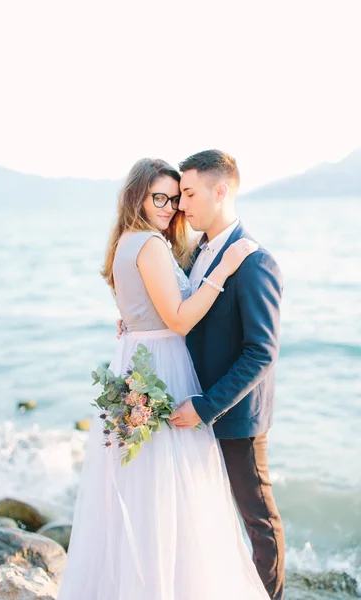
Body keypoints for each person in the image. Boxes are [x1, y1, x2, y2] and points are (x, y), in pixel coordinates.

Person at [57, 157, 270, 600]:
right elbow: (177, 320)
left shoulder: (127, 243)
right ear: (138, 195)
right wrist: (224, 268)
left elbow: (139, 310)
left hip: (140, 357)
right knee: (175, 491)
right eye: (161, 197)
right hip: (163, 366)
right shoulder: (150, 245)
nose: (170, 207)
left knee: (145, 489)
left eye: (176, 199)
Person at [170, 149, 285, 600]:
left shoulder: (256, 262)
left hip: (233, 416)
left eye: (190, 193)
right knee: (205, 511)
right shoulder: (195, 252)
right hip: (191, 409)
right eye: (180, 195)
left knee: (257, 517)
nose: (182, 205)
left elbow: (261, 353)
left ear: (221, 191)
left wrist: (205, 406)